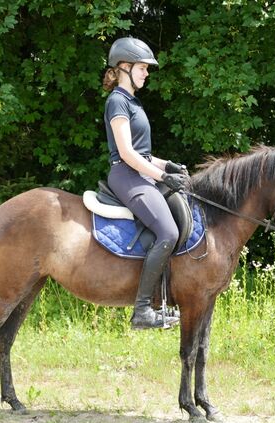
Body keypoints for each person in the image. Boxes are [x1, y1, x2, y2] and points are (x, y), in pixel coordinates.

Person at [102, 37, 190, 329]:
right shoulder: (117, 101)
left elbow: (144, 155)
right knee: (167, 231)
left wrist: (169, 166)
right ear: (124, 67)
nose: (146, 73)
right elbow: (127, 154)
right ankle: (142, 311)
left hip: (139, 172)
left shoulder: (133, 102)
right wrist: (163, 177)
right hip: (126, 175)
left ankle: (164, 300)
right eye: (142, 68)